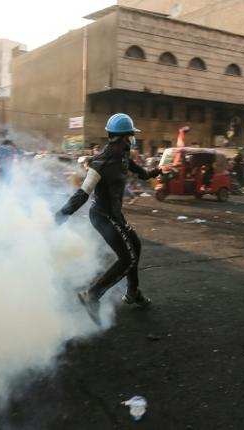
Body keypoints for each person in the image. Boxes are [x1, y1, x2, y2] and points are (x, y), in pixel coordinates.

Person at [55, 113, 161, 324]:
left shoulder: (123, 154)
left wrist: (151, 173)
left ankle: (133, 292)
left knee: (135, 246)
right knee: (127, 259)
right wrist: (61, 215)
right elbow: (83, 193)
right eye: (131, 135)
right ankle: (92, 295)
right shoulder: (100, 163)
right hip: (102, 216)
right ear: (123, 137)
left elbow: (133, 168)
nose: (133, 139)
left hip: (115, 215)